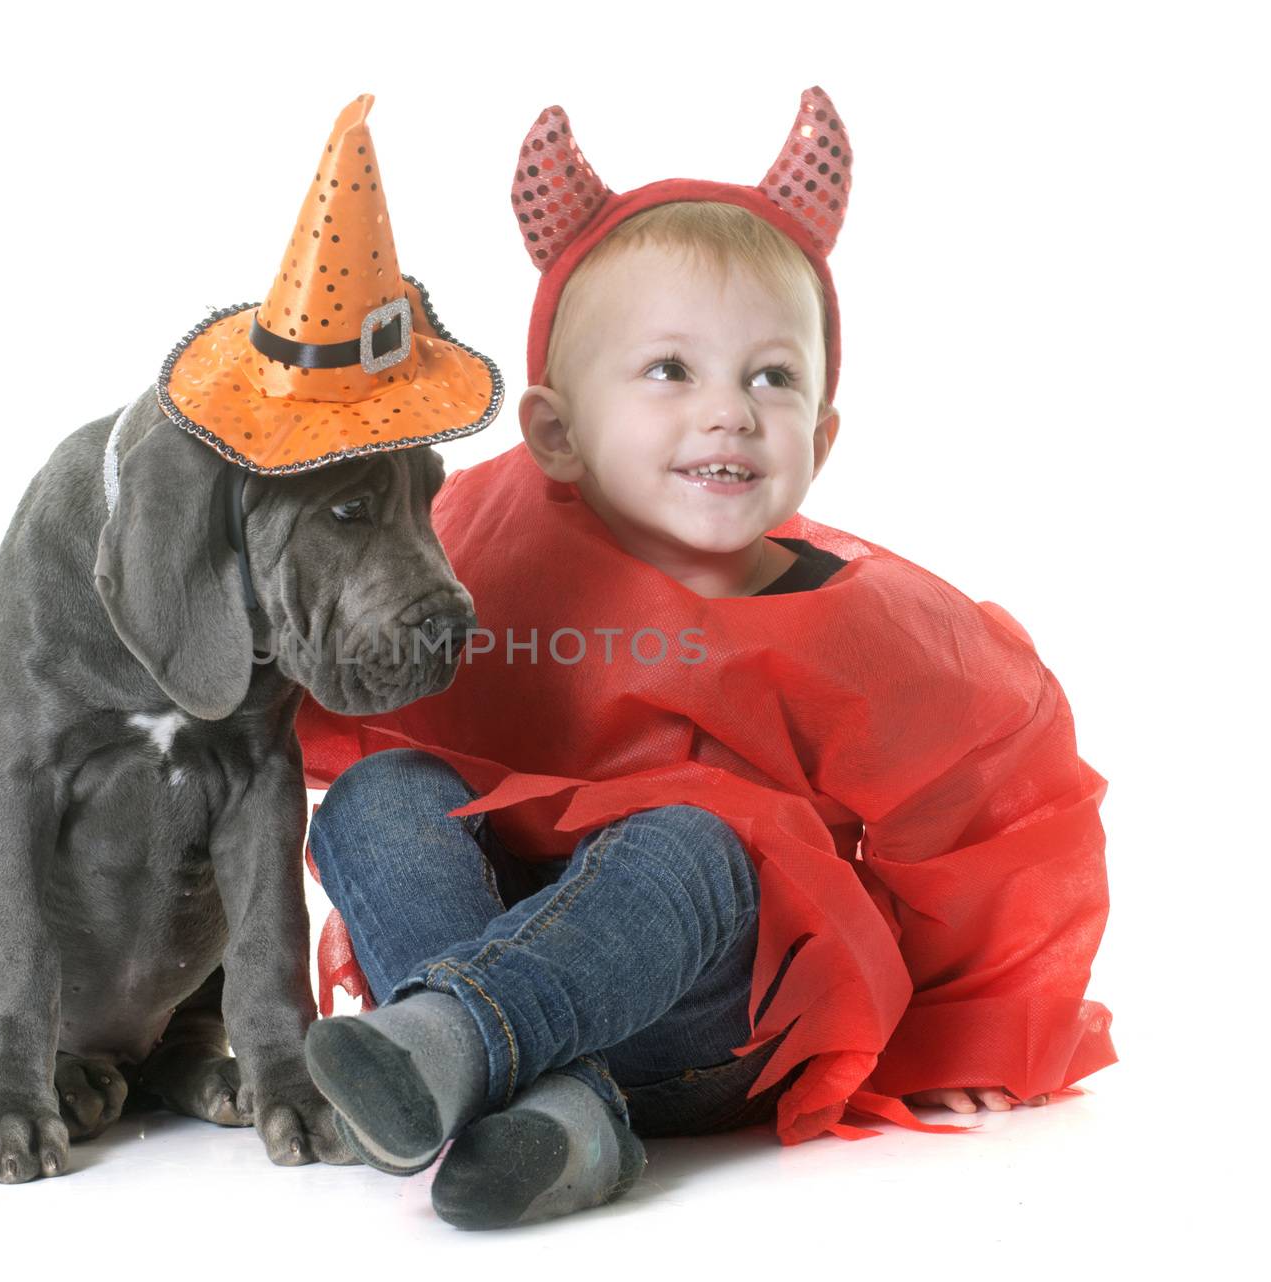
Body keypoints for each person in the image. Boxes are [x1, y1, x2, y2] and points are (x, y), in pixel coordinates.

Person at [294, 88, 1114, 1229]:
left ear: (821, 436)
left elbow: (986, 827)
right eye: (669, 370)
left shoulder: (867, 625)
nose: (728, 412)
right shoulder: (488, 546)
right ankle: (560, 1122)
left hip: (715, 1019)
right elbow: (347, 644)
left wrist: (960, 1030)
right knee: (381, 792)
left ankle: (456, 1038)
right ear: (554, 432)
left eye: (771, 377)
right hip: (502, 953)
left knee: (694, 835)